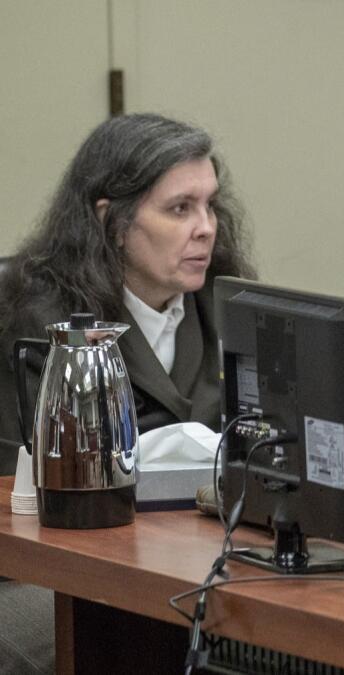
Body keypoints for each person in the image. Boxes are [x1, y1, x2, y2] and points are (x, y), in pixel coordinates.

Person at [0, 113, 254, 674]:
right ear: (111, 221)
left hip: (202, 560)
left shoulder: (230, 306)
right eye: (180, 208)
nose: (207, 227)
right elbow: (20, 495)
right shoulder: (33, 319)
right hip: (55, 573)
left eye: (210, 205)